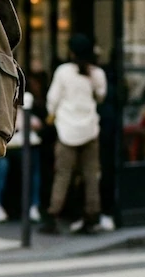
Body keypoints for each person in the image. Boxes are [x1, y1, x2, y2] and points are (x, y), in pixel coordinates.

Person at [42, 34, 107, 235]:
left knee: (63, 174)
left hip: (67, 130)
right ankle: (92, 217)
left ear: (71, 52)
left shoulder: (63, 72)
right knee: (90, 175)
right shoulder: (97, 74)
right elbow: (101, 96)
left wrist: (51, 115)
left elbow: (52, 99)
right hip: (90, 129)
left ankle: (53, 215)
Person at [0, 82, 42, 224]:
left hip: (26, 146)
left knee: (33, 167)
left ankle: (34, 206)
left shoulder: (26, 104)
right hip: (6, 147)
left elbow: (37, 123)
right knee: (1, 167)